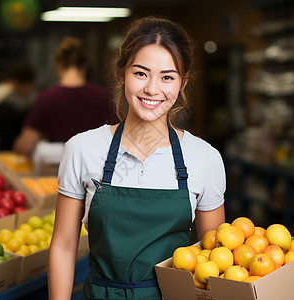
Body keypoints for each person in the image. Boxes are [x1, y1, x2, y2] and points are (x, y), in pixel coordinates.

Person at [48, 16, 226, 300]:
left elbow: (216, 259)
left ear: (183, 82)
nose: (152, 89)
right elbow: (64, 246)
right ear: (122, 74)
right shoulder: (82, 149)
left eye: (167, 77)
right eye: (140, 73)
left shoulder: (205, 158)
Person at [13, 37, 116, 156]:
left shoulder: (45, 99)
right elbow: (119, 140)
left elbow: (26, 147)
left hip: (58, 169)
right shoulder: (105, 97)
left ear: (57, 66)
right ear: (85, 66)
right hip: (97, 170)